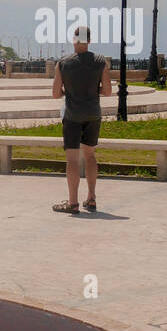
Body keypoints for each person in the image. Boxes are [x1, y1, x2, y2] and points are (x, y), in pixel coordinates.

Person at [52, 24, 112, 213]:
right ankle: (92, 198)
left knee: (72, 159)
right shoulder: (101, 62)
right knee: (90, 156)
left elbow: (55, 94)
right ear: (89, 40)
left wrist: (67, 91)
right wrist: (94, 90)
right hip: (93, 114)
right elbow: (108, 91)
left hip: (72, 116)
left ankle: (72, 203)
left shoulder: (63, 63)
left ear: (74, 39)